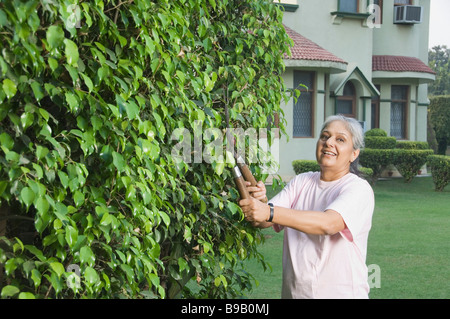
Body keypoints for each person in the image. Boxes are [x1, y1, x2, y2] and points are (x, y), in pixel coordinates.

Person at [239, 114, 375, 299]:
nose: (328, 143)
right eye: (324, 136)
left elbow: (328, 224)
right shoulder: (302, 181)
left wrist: (267, 211)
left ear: (354, 153)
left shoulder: (358, 189)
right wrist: (260, 202)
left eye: (340, 139)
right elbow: (264, 221)